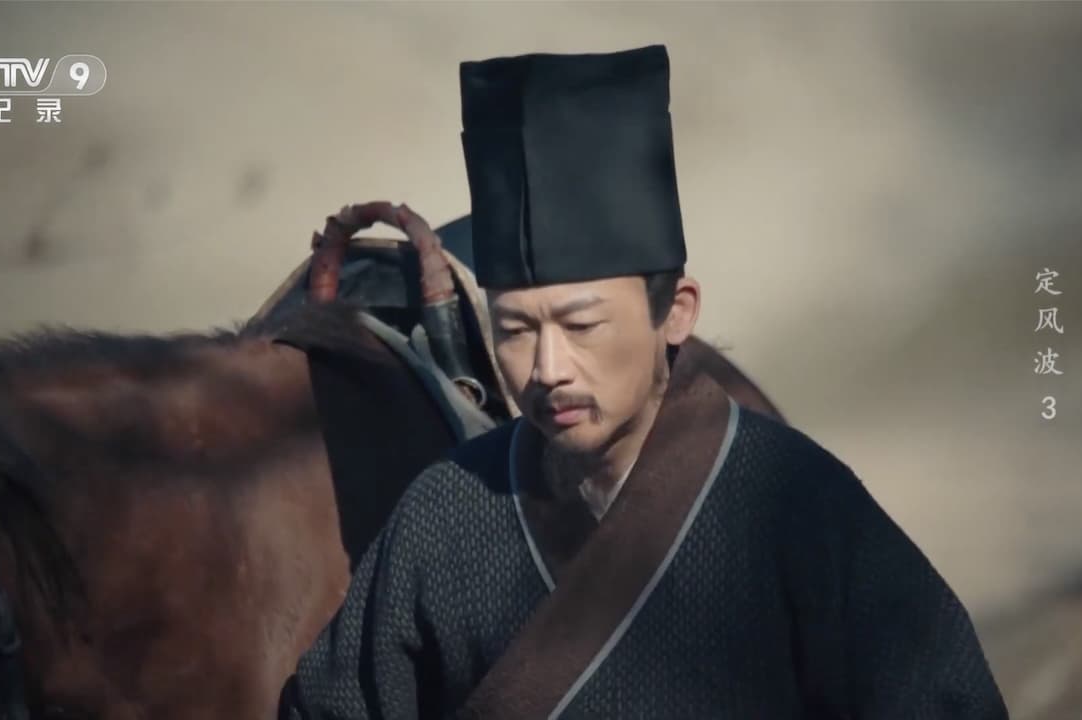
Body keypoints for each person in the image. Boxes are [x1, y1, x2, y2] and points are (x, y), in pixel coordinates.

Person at [281, 44, 1009, 719]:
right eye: (515, 330)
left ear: (676, 312)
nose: (548, 369)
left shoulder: (795, 504)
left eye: (582, 325)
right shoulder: (445, 513)